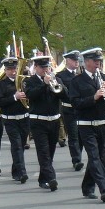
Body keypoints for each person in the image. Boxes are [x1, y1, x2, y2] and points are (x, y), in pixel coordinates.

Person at [69, 48, 105, 202]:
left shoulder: (104, 78)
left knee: (97, 157)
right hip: (86, 124)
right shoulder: (77, 81)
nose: (98, 63)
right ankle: (104, 189)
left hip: (103, 123)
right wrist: (94, 97)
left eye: (99, 61)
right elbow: (75, 103)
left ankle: (87, 187)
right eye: (95, 61)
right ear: (87, 62)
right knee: (94, 156)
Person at [23, 56, 64, 191]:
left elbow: (66, 96)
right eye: (42, 67)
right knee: (43, 152)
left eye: (47, 67)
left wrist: (59, 86)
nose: (45, 70)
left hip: (54, 120)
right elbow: (31, 95)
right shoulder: (30, 81)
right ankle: (51, 178)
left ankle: (43, 179)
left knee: (50, 152)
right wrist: (44, 85)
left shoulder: (55, 79)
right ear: (36, 68)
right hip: (38, 121)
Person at [0, 58, 30, 183]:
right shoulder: (1, 85)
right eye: (9, 69)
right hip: (10, 119)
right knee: (16, 145)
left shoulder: (24, 82)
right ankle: (22, 172)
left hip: (24, 118)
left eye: (14, 68)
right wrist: (14, 97)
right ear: (5, 70)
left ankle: (16, 170)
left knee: (20, 146)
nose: (13, 72)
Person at [55, 50, 84, 171]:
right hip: (69, 109)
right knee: (73, 135)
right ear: (67, 61)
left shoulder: (81, 74)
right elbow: (63, 93)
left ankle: (79, 155)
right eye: (74, 60)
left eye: (77, 60)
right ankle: (76, 160)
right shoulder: (61, 76)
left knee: (81, 136)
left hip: (81, 109)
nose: (76, 62)